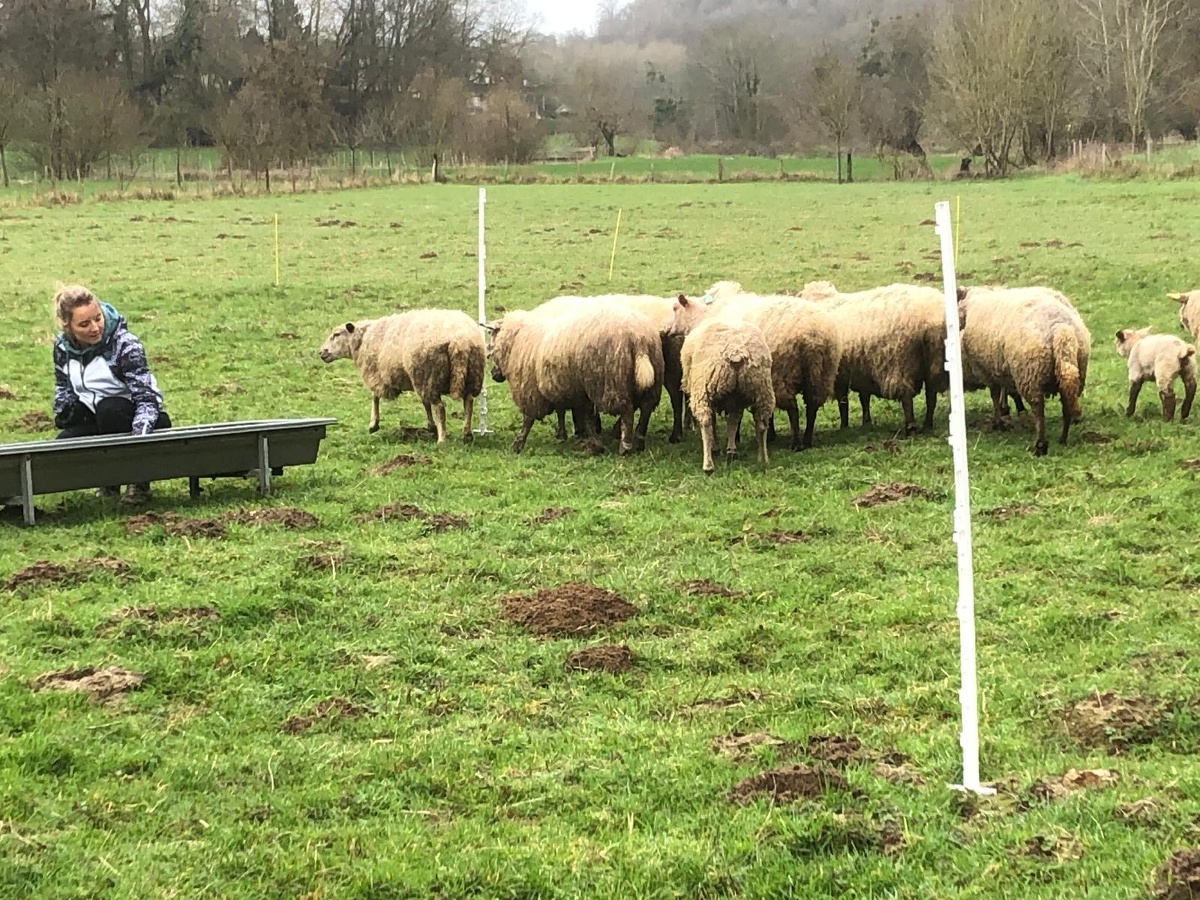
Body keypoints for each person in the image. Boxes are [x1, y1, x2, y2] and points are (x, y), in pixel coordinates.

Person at [52, 284, 171, 505]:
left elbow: (147, 398)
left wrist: (141, 435)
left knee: (110, 409)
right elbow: (63, 386)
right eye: (84, 324)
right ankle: (107, 477)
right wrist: (64, 410)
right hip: (97, 418)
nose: (95, 327)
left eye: (98, 318)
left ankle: (137, 481)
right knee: (63, 444)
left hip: (140, 419)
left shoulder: (125, 344)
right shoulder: (62, 348)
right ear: (68, 326)